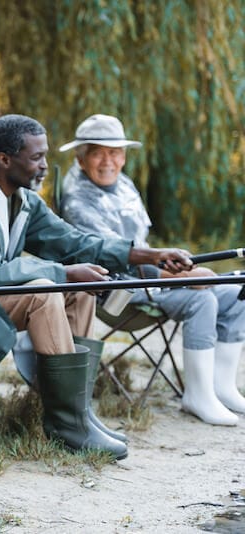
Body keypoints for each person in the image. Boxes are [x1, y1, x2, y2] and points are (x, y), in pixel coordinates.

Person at [0, 114, 194, 460]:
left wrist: (150, 254)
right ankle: (66, 424)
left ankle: (76, 413)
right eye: (37, 157)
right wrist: (65, 272)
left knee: (80, 290)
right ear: (5, 160)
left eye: (45, 156)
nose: (44, 166)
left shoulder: (20, 197)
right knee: (44, 291)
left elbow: (74, 242)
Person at [59, 113, 245, 426]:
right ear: (81, 158)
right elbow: (116, 258)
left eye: (115, 152)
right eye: (98, 153)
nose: (109, 161)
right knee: (202, 299)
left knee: (238, 294)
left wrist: (181, 270)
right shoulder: (78, 200)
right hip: (117, 293)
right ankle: (197, 396)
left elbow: (142, 244)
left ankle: (221, 388)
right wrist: (182, 277)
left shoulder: (123, 184)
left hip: (151, 281)